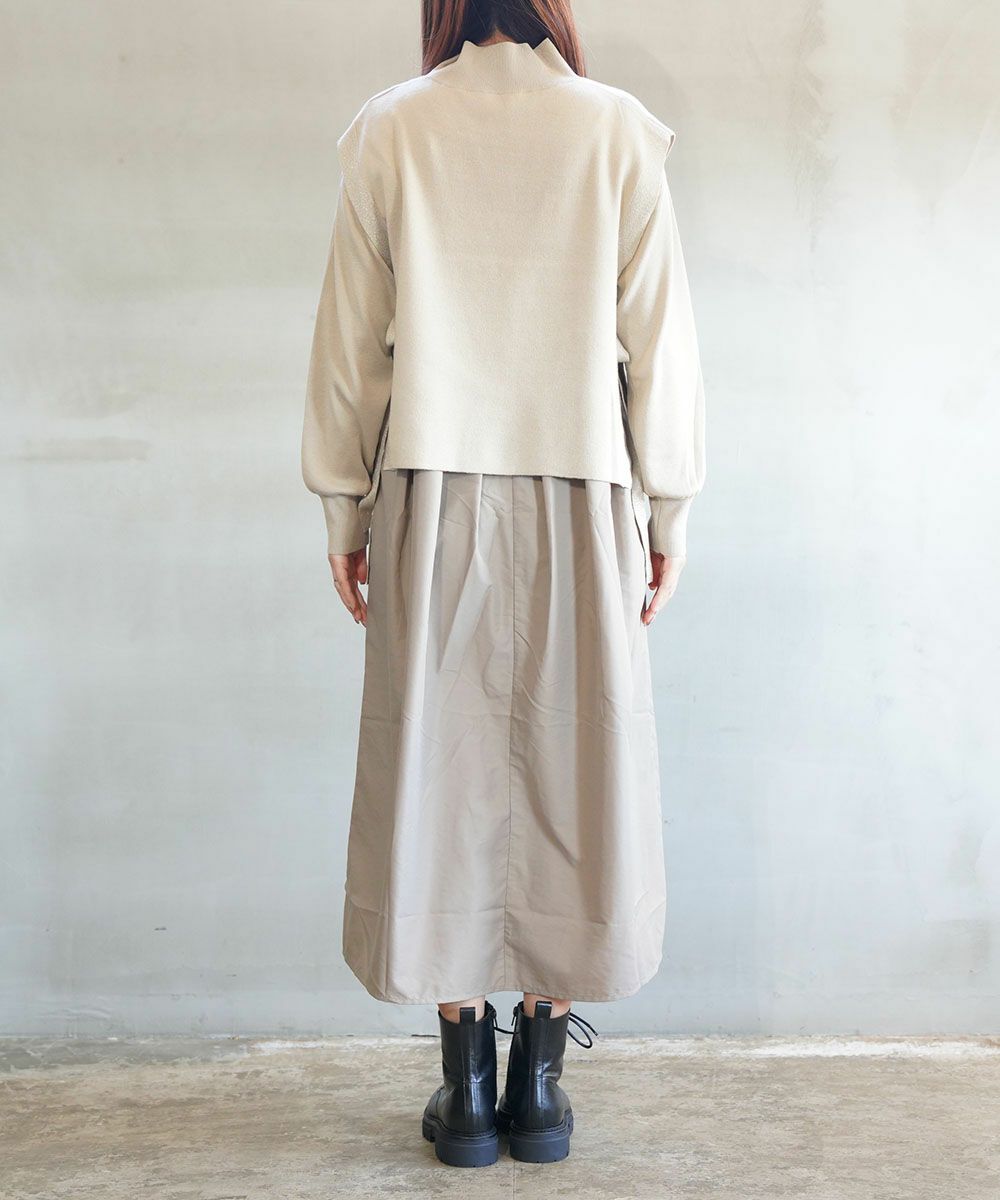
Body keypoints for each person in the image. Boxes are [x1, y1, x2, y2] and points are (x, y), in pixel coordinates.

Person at [301, 0, 705, 1169]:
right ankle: (538, 1078)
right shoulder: (617, 129)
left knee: (436, 768)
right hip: (583, 488)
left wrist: (343, 507)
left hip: (432, 492)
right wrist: (668, 509)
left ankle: (466, 1085)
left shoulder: (390, 128)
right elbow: (659, 345)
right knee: (578, 765)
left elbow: (351, 347)